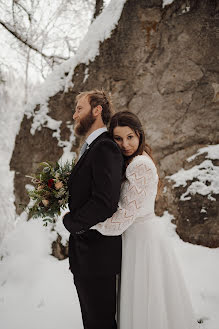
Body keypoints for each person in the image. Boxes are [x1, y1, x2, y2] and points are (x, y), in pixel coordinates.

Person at [91, 111, 198, 329]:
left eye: (130, 137)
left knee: (146, 295)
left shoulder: (139, 165)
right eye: (118, 139)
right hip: (136, 236)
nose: (125, 144)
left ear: (139, 135)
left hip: (142, 238)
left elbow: (123, 217)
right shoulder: (132, 161)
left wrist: (88, 223)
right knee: (143, 296)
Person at [63, 90, 124, 329]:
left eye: (79, 108)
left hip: (98, 257)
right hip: (87, 256)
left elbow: (104, 202)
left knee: (100, 323)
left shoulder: (105, 147)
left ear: (97, 110)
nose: (74, 114)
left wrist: (72, 222)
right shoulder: (92, 147)